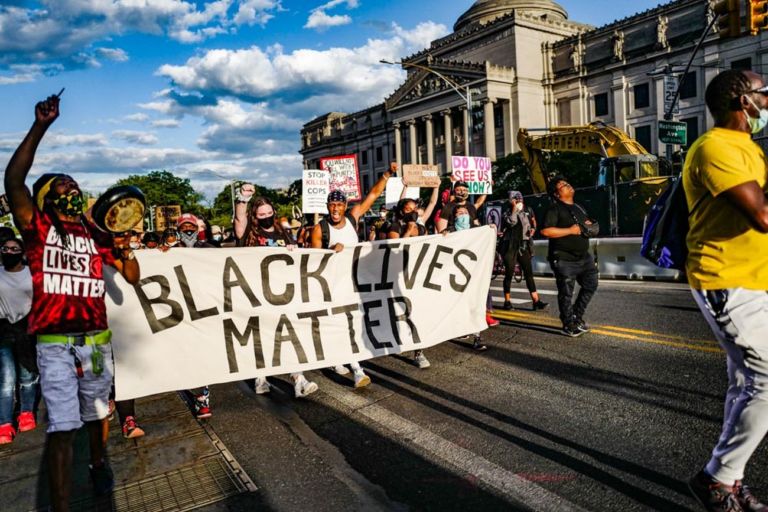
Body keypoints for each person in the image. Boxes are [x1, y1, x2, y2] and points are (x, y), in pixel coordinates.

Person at [4, 93, 140, 510]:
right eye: (60, 183)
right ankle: (61, 503)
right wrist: (40, 126)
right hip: (54, 345)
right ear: (45, 198)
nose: (70, 185)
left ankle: (98, 463)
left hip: (96, 341)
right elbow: (13, 181)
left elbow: (132, 278)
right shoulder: (38, 229)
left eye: (73, 182)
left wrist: (125, 247)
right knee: (63, 427)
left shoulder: (94, 234)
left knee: (99, 413)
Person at [683, 69, 768, 512]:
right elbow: (763, 215)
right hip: (727, 282)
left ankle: (726, 478)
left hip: (754, 279)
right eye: (764, 94)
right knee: (766, 382)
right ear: (743, 101)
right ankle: (717, 480)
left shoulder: (748, 147)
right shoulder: (715, 148)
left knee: (746, 383)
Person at [310, 163, 397, 388]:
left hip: (356, 281)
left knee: (355, 322)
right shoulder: (320, 229)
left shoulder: (352, 218)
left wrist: (387, 174)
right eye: (332, 205)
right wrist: (331, 252)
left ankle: (340, 358)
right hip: (334, 285)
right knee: (343, 323)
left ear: (345, 205)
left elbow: (374, 194)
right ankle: (357, 369)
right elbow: (313, 261)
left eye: (339, 204)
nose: (336, 209)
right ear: (327, 207)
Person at [233, 193, 319, 398]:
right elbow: (239, 219)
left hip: (282, 294)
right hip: (257, 294)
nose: (266, 216)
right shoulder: (249, 232)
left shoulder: (283, 232)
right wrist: (242, 200)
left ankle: (299, 380)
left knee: (289, 335)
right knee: (263, 336)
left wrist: (293, 250)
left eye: (269, 212)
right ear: (255, 215)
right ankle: (260, 378)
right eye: (261, 214)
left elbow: (295, 258)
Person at [540, 176, 598, 337]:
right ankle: (568, 324)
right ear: (557, 194)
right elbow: (546, 231)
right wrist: (570, 231)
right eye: (563, 185)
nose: (568, 185)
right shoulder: (554, 209)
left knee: (591, 284)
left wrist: (590, 227)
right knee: (566, 293)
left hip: (584, 257)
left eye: (567, 183)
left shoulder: (578, 207)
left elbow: (585, 225)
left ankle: (576, 317)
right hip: (564, 258)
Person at [0, 237, 39, 444]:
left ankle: (26, 412)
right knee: (6, 379)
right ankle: (5, 422)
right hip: (3, 330)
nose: (9, 251)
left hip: (27, 329)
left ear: (22, 252)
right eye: (5, 248)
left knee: (27, 375)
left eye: (14, 248)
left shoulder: (31, 274)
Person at [501, 191, 547, 311]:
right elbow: (512, 222)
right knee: (509, 274)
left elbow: (531, 224)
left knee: (528, 273)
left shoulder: (526, 210)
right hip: (510, 245)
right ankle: (507, 301)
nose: (519, 202)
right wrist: (514, 209)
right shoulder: (507, 211)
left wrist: (532, 230)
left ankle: (536, 300)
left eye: (520, 199)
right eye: (516, 200)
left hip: (523, 245)